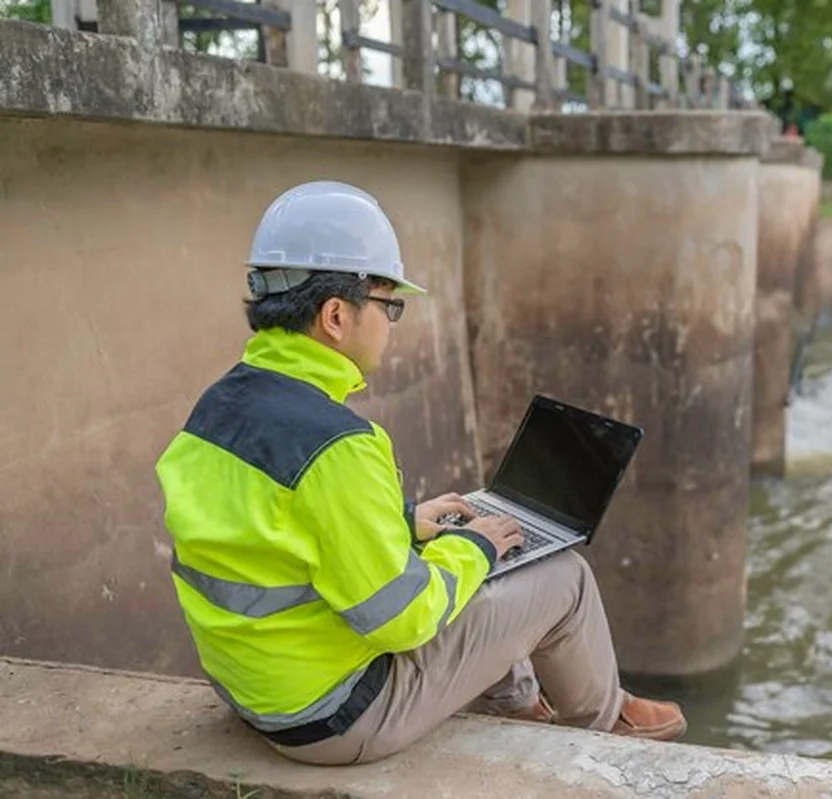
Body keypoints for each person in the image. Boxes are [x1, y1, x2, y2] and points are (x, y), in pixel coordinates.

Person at [154, 180, 687, 766]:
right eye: (390, 306)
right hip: (335, 717)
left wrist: (406, 524)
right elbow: (402, 619)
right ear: (336, 315)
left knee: (468, 557)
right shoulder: (338, 445)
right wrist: (474, 548)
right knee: (563, 577)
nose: (392, 323)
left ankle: (519, 706)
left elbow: (277, 538)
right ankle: (604, 732)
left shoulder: (218, 407)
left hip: (256, 690)